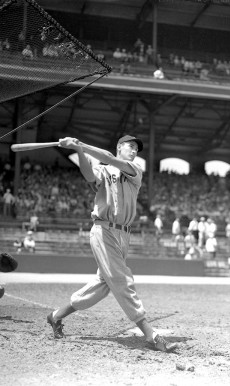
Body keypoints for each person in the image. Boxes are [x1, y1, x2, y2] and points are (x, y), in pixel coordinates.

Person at [46, 135, 178, 353]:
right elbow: (89, 173)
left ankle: (56, 316)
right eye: (131, 146)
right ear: (120, 147)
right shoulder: (104, 170)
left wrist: (79, 144)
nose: (135, 151)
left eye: (137, 148)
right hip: (104, 229)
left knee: (102, 286)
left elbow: (107, 157)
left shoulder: (134, 170)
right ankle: (151, 335)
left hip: (124, 234)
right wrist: (79, 151)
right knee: (121, 279)